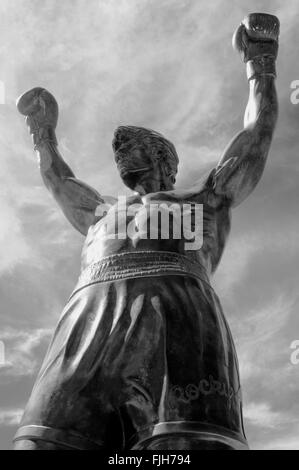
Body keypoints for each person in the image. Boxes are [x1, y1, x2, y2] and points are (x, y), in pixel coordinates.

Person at [13, 13, 279, 450]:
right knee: (41, 444)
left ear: (163, 159)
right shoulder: (100, 211)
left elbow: (256, 137)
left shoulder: (206, 197)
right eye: (118, 148)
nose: (119, 152)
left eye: (129, 145)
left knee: (185, 451)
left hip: (179, 313)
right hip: (90, 317)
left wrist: (260, 65)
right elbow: (58, 180)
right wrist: (44, 133)